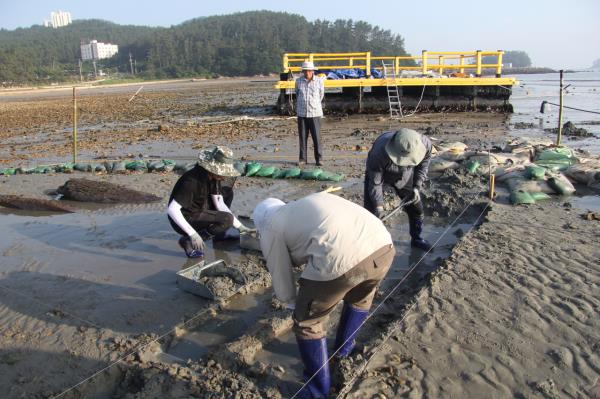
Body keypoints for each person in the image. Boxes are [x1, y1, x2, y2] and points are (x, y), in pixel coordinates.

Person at [252, 192, 395, 398]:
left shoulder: (270, 225)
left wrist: (295, 306)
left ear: (260, 222)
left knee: (307, 322)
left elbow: (280, 273)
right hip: (382, 246)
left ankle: (317, 391)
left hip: (341, 258)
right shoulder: (302, 205)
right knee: (360, 298)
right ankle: (343, 352)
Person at [167, 146, 253, 258]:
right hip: (186, 217)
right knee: (226, 219)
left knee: (227, 193)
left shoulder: (212, 178)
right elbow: (172, 210)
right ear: (212, 168)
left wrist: (241, 227)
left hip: (199, 208)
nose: (223, 177)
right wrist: (192, 234)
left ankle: (219, 237)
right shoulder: (191, 181)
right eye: (222, 173)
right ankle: (188, 240)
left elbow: (219, 203)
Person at [364, 128, 433, 250]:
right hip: (382, 176)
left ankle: (417, 238)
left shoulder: (425, 144)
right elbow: (375, 183)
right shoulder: (379, 152)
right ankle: (371, 245)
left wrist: (417, 187)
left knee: (416, 208)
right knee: (371, 214)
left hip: (405, 176)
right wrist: (379, 206)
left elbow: (423, 166)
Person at [295, 60, 325, 166]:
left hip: (315, 113)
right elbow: (297, 94)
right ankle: (302, 159)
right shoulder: (298, 81)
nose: (307, 73)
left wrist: (314, 104)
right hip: (302, 113)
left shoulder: (319, 81)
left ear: (312, 71)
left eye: (309, 71)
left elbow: (321, 95)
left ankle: (319, 159)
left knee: (316, 137)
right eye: (305, 71)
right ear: (303, 71)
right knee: (302, 137)